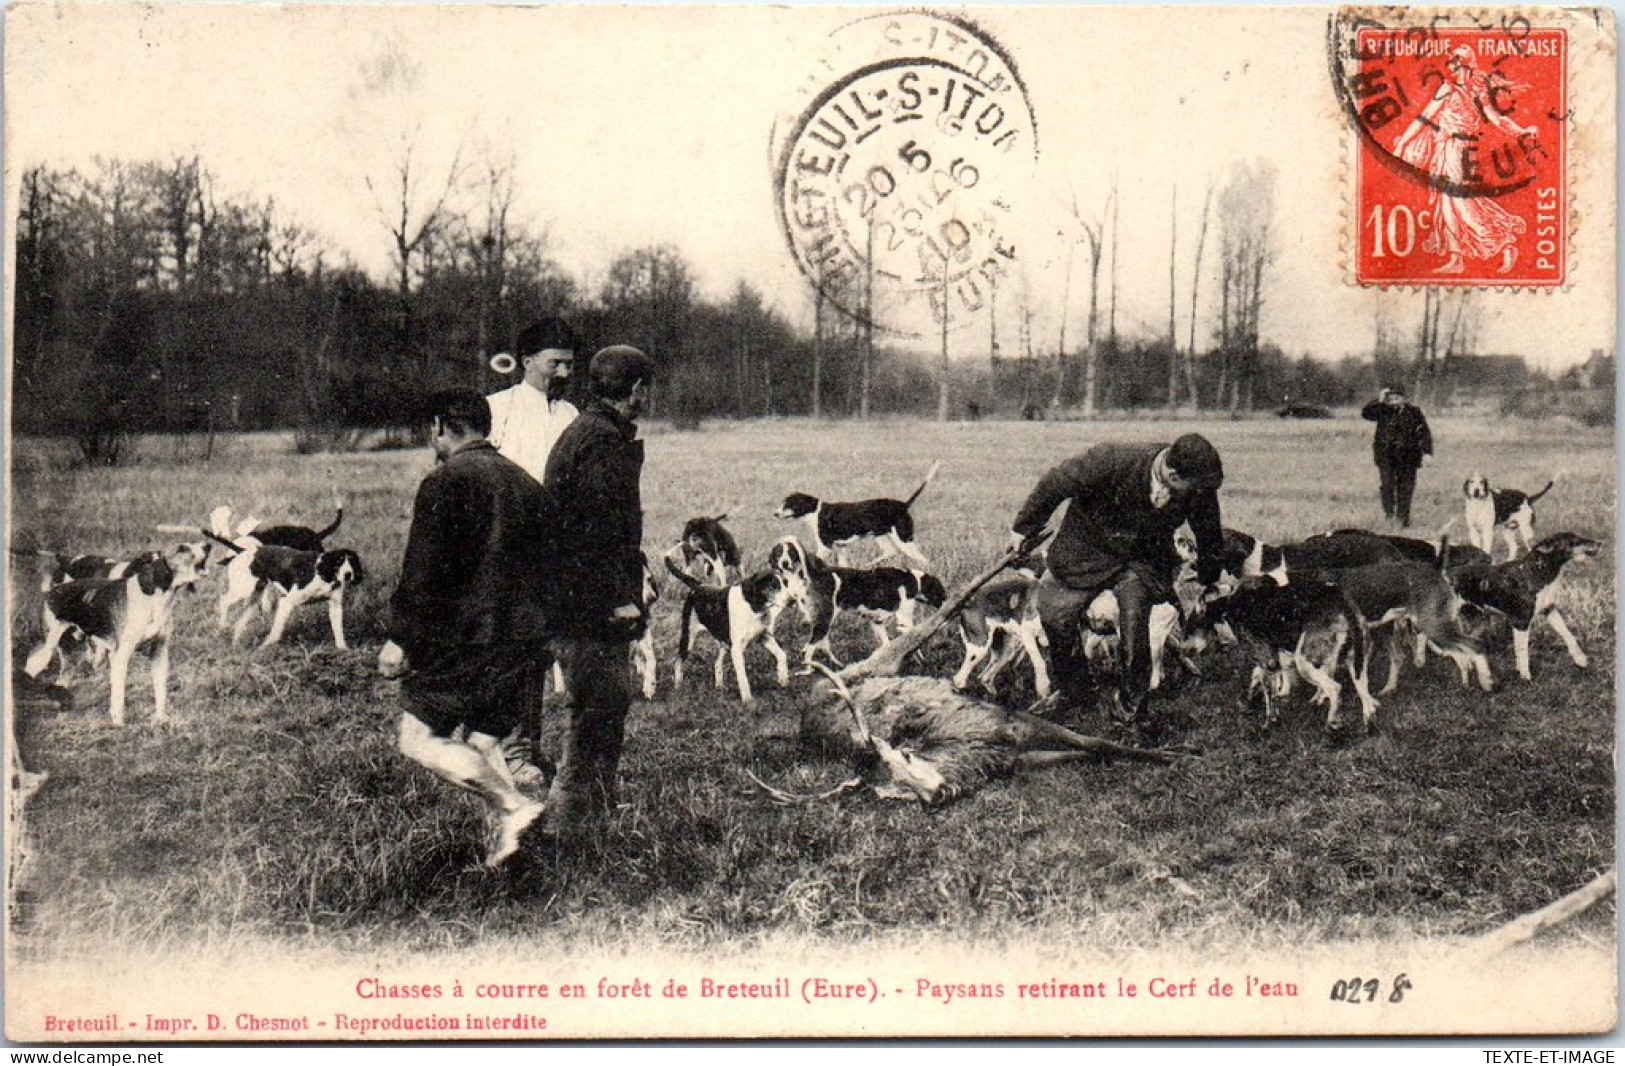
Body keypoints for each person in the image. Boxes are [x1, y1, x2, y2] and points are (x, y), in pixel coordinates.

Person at [380, 389, 552, 869]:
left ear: (439, 426)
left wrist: (401, 638)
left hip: (472, 641)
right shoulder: (526, 483)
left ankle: (516, 808)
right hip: (527, 642)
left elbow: (424, 572)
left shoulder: (445, 481)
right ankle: (513, 848)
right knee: (481, 743)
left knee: (417, 739)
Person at [1006, 434, 1225, 739]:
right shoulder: (1112, 459)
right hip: (1086, 551)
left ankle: (1130, 713)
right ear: (1174, 475)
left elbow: (1208, 528)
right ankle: (1076, 692)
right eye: (1196, 488)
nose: (1201, 495)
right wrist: (1022, 528)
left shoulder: (1197, 487)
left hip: (1142, 560)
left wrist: (1210, 574)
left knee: (1136, 628)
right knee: (1056, 616)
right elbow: (1058, 480)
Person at [539, 344, 654, 838]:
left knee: (600, 708)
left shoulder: (587, 432)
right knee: (596, 714)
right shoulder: (603, 442)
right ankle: (567, 831)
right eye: (646, 388)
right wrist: (619, 597)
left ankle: (593, 821)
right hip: (589, 607)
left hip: (574, 598)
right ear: (636, 390)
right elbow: (597, 530)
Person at [1390, 45, 1535, 275]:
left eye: (1455, 64)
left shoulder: (1467, 93)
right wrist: (1404, 143)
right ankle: (1457, 258)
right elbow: (1425, 119)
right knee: (1448, 202)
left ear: (1466, 65)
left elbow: (1498, 121)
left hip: (1458, 151)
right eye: (1450, 64)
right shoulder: (1456, 90)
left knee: (1462, 203)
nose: (1451, 68)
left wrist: (1521, 131)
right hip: (1454, 149)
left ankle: (1504, 240)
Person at [486, 318, 580, 485]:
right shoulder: (496, 408)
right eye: (554, 363)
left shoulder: (571, 414)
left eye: (569, 364)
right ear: (528, 363)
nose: (564, 373)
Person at [1361, 386, 1433, 528]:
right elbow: (1366, 414)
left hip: (1409, 456)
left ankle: (1403, 520)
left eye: (1397, 398)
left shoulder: (1414, 412)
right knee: (1387, 486)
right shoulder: (1382, 410)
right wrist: (1379, 400)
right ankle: (1389, 515)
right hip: (1386, 456)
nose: (1394, 401)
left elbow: (1424, 432)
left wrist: (1427, 452)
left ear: (1404, 398)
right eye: (1391, 398)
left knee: (1406, 488)